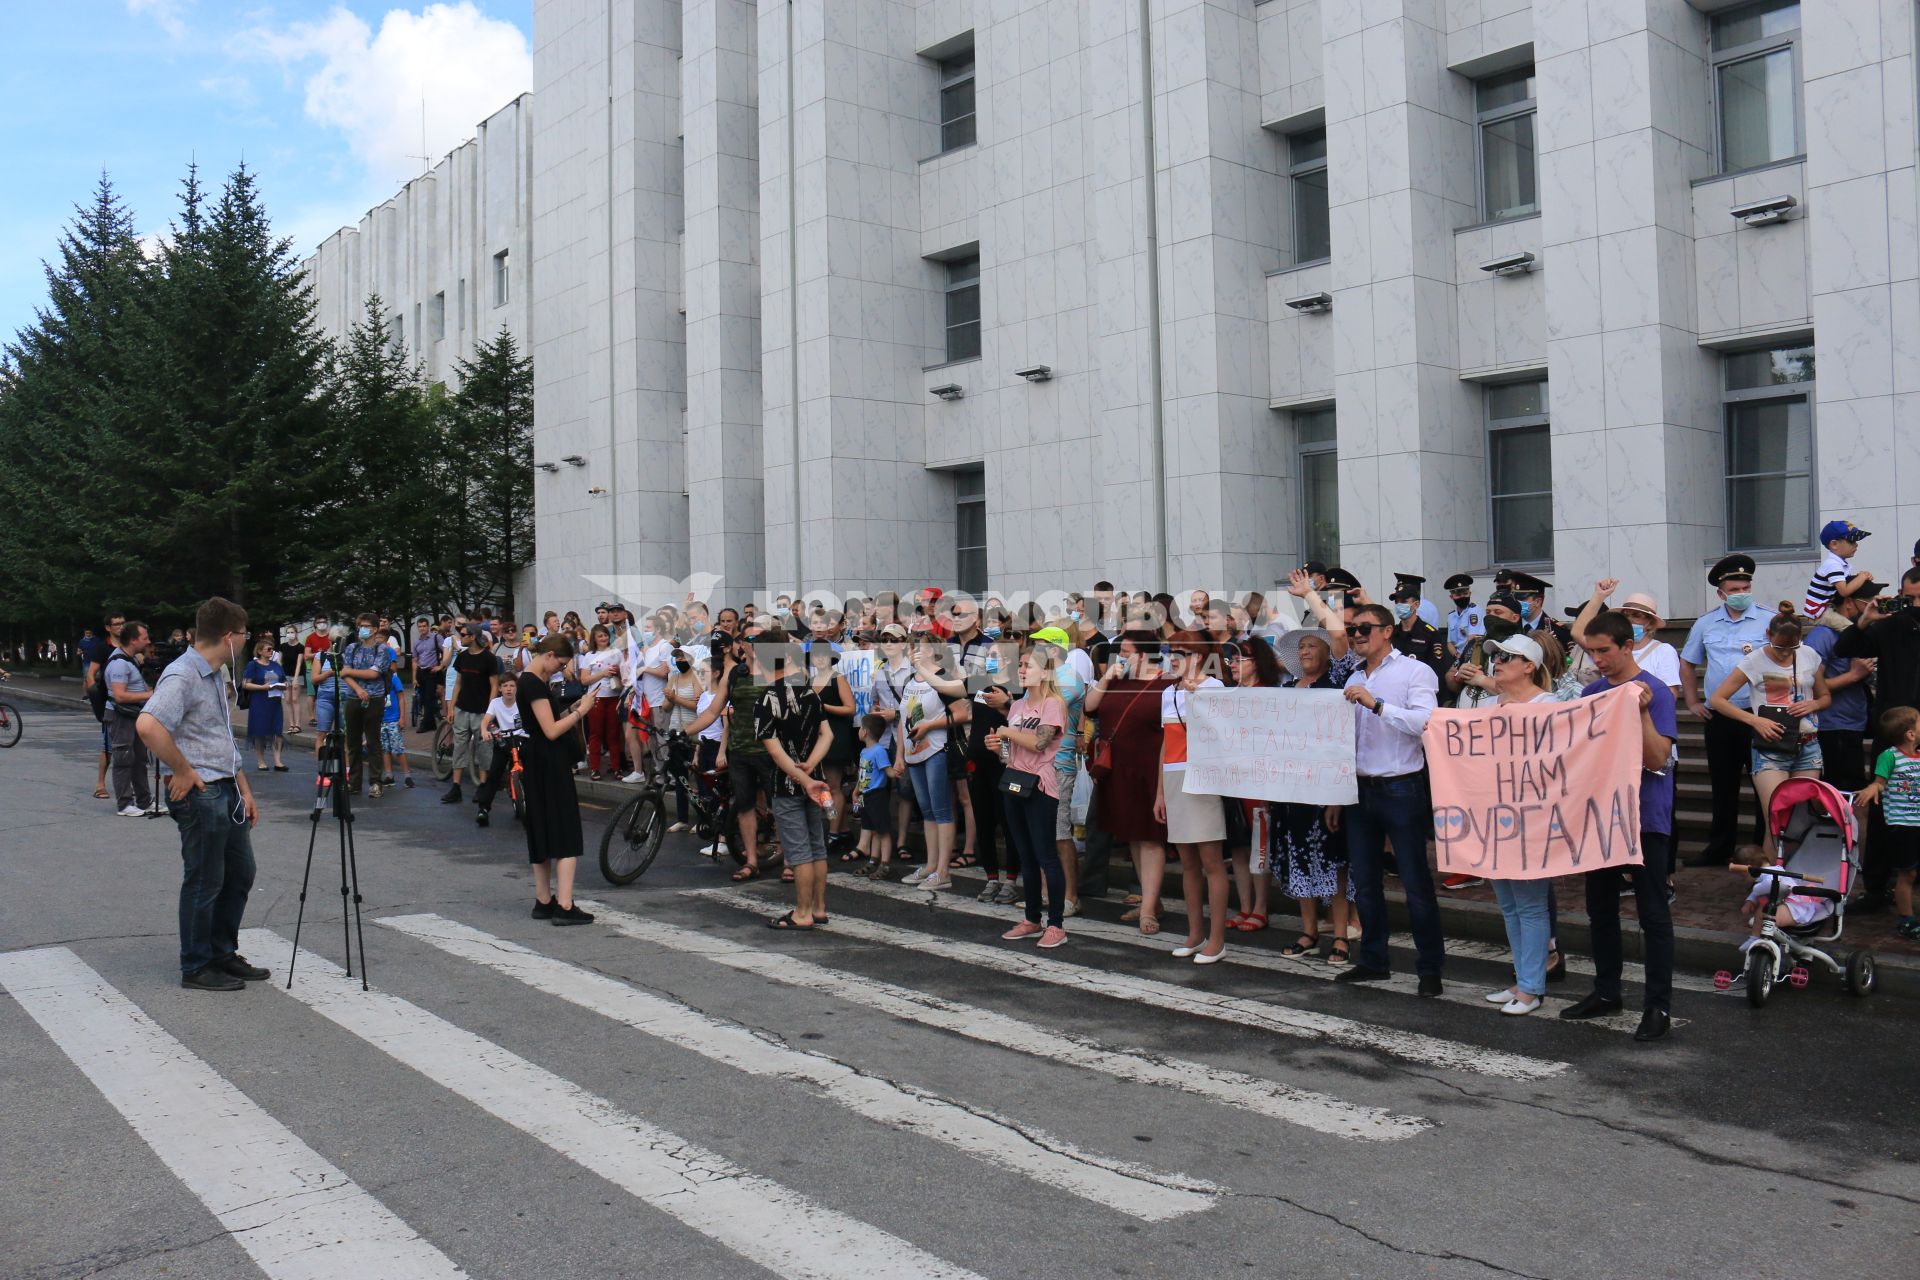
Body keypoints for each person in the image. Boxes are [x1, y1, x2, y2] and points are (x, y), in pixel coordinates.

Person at [135, 597, 266, 992]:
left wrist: (244, 787)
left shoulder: (215, 670)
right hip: (201, 793)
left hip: (225, 787)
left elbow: (220, 735)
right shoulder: (183, 675)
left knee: (240, 873)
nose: (245, 640)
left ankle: (221, 952)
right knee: (205, 880)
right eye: (244, 634)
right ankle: (196, 964)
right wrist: (183, 770)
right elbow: (148, 725)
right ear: (229, 636)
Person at [1562, 610, 1679, 1041]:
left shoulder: (1657, 691)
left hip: (1645, 816)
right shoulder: (1592, 691)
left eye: (1604, 651)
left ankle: (1657, 1006)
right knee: (1600, 909)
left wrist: (1643, 713)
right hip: (1601, 815)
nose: (1597, 660)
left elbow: (1656, 760)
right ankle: (1607, 991)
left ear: (1628, 646)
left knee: (1652, 913)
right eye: (1591, 652)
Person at [1336, 603, 1445, 995]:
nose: (1358, 635)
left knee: (1415, 881)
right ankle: (1373, 959)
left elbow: (1426, 722)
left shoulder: (1415, 671)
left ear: (1387, 630)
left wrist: (1377, 704)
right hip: (1360, 789)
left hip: (1402, 786)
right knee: (1364, 883)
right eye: (1353, 630)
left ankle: (1430, 968)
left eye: (1365, 628)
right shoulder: (1352, 675)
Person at [1478, 633, 1562, 1015]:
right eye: (1496, 657)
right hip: (1495, 814)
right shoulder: (1490, 701)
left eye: (1508, 657)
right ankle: (1522, 980)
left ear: (1530, 666)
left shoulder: (1549, 704)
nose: (1497, 662)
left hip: (1532, 818)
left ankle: (1532, 987)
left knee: (1530, 907)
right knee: (1510, 906)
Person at [1709, 613, 1830, 857]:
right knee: (1776, 818)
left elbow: (1825, 696)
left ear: (1800, 640)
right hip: (1770, 747)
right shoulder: (1753, 661)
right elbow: (1717, 699)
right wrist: (1754, 720)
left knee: (1801, 820)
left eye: (1791, 647)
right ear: (1768, 636)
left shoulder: (1809, 656)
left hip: (1807, 744)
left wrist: (1814, 705)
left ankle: (1792, 881)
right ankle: (1772, 881)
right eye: (1779, 646)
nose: (1785, 653)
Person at [1680, 554, 1772, 866]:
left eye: (1746, 586)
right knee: (1723, 784)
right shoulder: (1706, 623)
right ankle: (1720, 848)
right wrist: (1692, 701)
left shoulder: (1768, 620)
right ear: (1721, 593)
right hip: (1720, 716)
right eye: (1734, 588)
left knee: (1764, 784)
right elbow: (1687, 662)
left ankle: (1764, 849)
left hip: (1758, 715)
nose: (1742, 592)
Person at [1270, 628, 1353, 963]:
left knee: (1335, 860)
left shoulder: (1333, 685)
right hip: (1291, 789)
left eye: (1311, 645)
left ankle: (1342, 934)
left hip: (1327, 785)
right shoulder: (1287, 689)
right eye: (1300, 647)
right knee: (1298, 856)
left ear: (1325, 651)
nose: (1304, 651)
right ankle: (1309, 931)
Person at [1154, 633, 1230, 964]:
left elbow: (1225, 733)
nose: (1172, 658)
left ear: (1198, 657)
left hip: (1203, 776)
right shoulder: (1168, 692)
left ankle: (1217, 939)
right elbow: (1164, 744)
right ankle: (1195, 933)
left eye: (1180, 653)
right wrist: (1159, 792)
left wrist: (1197, 696)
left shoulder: (1213, 687)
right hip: (1174, 776)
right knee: (1187, 863)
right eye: (1170, 652)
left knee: (1211, 862)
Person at [1087, 630, 1169, 934]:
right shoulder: (1117, 681)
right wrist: (1107, 677)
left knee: (1150, 836)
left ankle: (1148, 908)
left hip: (1148, 768)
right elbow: (1090, 706)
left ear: (1144, 654)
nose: (1120, 657)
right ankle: (1151, 899)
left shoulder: (1166, 684)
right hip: (1118, 767)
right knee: (1133, 835)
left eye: (1126, 651)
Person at [989, 646, 1070, 947]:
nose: (1022, 670)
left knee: (1046, 855)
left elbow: (1039, 743)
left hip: (1040, 785)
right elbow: (1009, 754)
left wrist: (1007, 733)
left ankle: (1057, 925)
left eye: (1028, 666)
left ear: (1045, 671)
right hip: (1014, 780)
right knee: (1025, 855)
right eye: (1020, 665)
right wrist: (998, 746)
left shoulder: (1053, 703)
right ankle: (1032, 918)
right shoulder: (1017, 707)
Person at [515, 635, 594, 923]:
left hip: (536, 758)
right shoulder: (534, 683)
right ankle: (564, 905)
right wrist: (581, 713)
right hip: (549, 760)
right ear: (549, 655)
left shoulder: (529, 680)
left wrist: (570, 711)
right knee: (564, 829)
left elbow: (543, 721)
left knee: (540, 826)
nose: (560, 670)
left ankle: (543, 900)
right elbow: (550, 730)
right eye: (559, 664)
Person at [757, 636, 834, 930]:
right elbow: (828, 735)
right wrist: (812, 767)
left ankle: (802, 913)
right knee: (817, 847)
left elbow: (775, 752)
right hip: (818, 779)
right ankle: (819, 907)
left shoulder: (766, 698)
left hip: (787, 784)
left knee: (799, 851)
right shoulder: (809, 693)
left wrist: (802, 778)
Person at [1224, 637, 1286, 932]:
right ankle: (1245, 906)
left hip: (1260, 781)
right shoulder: (1229, 694)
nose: (1233, 664)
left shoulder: (1270, 695)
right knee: (1238, 845)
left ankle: (1261, 907)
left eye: (1240, 659)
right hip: (1233, 778)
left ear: (1257, 664)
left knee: (1259, 845)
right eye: (1231, 659)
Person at [1805, 579, 1881, 790]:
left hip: (1854, 723)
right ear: (1849, 603)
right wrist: (1853, 675)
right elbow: (1808, 685)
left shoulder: (1857, 632)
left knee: (1854, 789)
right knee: (1840, 792)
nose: (1872, 607)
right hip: (1833, 727)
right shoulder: (1822, 635)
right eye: (1868, 602)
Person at [1853, 706, 1920, 939]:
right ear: (1910, 734)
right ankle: (1907, 920)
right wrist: (1873, 787)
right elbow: (1880, 782)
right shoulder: (1889, 756)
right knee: (1907, 874)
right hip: (1902, 826)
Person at [898, 637, 960, 890]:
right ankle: (931, 865)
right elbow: (902, 721)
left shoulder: (943, 677)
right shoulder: (909, 681)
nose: (913, 652)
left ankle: (943, 870)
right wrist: (899, 754)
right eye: (912, 647)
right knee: (926, 811)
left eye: (919, 647)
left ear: (933, 651)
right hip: (914, 753)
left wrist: (930, 726)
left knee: (941, 809)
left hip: (936, 749)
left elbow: (962, 713)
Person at [1568, 582, 1681, 693]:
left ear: (1650, 623)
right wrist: (1599, 596)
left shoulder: (1663, 651)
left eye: (1637, 615)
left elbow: (1669, 695)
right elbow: (1578, 632)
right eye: (1625, 614)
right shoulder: (1611, 646)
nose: (1629, 619)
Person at [338, 614, 395, 797]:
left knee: (373, 741)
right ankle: (354, 782)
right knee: (352, 742)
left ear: (375, 629)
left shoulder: (382, 650)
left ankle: (375, 782)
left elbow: (373, 673)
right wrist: (357, 689)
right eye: (360, 625)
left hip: (375, 698)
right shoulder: (352, 648)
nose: (362, 628)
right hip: (353, 697)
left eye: (366, 626)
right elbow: (343, 673)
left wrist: (351, 672)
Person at [445, 625, 502, 804]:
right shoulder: (462, 657)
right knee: (460, 745)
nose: (459, 638)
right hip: (463, 707)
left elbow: (494, 685)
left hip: (481, 711)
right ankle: (456, 786)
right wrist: (451, 707)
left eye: (463, 635)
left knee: (483, 747)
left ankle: (483, 786)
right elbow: (459, 683)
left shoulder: (488, 658)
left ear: (473, 637)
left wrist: (490, 710)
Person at [104, 622, 155, 816]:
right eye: (144, 638)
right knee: (124, 758)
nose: (148, 642)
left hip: (133, 715)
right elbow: (119, 696)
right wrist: (150, 695)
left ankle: (143, 801)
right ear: (133, 640)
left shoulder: (130, 659)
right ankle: (124, 804)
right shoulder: (119, 663)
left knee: (139, 759)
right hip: (121, 715)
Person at [474, 672, 525, 827]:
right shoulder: (495, 703)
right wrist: (484, 731)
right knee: (494, 775)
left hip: (521, 739)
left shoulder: (522, 702)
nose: (509, 689)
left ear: (517, 688)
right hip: (503, 741)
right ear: (500, 689)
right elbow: (486, 721)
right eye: (505, 686)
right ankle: (483, 809)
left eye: (512, 685)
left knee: (532, 770)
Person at [578, 624, 626, 781]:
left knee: (613, 734)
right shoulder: (588, 656)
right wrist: (603, 673)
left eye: (605, 635)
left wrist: (617, 671)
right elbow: (584, 680)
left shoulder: (616, 652)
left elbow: (625, 672)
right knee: (596, 734)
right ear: (594, 639)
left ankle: (616, 768)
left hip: (614, 696)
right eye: (600, 636)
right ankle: (595, 768)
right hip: (596, 697)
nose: (604, 638)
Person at [853, 713, 896, 876]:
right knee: (872, 829)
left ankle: (885, 865)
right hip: (865, 795)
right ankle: (873, 861)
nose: (858, 731)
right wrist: (857, 790)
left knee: (882, 830)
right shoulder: (864, 751)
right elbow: (863, 774)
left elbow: (888, 771)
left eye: (860, 728)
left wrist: (897, 772)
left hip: (877, 795)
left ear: (864, 732)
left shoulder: (879, 751)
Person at [1804, 519, 1873, 620]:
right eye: (1851, 540)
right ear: (1834, 544)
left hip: (1828, 607)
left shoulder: (1839, 563)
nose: (1856, 544)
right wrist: (1861, 577)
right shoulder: (1833, 564)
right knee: (1848, 628)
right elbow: (1844, 591)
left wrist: (1861, 578)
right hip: (1818, 611)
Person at [240, 638, 287, 773]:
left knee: (277, 731)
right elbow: (245, 684)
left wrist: (284, 685)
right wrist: (262, 687)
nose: (271, 651)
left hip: (275, 701)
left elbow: (283, 680)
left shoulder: (276, 665)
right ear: (260, 651)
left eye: (272, 649)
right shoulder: (253, 665)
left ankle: (278, 761)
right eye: (268, 649)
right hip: (259, 701)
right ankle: (261, 761)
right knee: (260, 731)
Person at [379, 665, 412, 789]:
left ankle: (407, 776)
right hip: (382, 721)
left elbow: (401, 697)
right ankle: (389, 776)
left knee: (398, 748)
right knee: (385, 749)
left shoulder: (393, 677)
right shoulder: (376, 678)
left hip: (393, 720)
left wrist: (402, 717)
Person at [412, 617, 445, 732]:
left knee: (429, 697)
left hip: (432, 672)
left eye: (424, 626)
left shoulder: (437, 638)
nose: (422, 628)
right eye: (420, 626)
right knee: (423, 699)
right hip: (421, 672)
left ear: (428, 626)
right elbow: (415, 660)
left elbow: (446, 651)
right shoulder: (417, 642)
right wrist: (414, 677)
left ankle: (425, 723)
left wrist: (440, 665)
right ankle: (431, 723)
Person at [1444, 573, 1484, 660]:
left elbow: (1473, 638)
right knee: (1449, 674)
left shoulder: (1474, 611)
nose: (1462, 597)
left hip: (1473, 656)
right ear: (1452, 597)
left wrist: (1462, 657)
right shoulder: (1451, 616)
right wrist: (1457, 656)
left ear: (1470, 593)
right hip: (1459, 657)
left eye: (1465, 594)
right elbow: (1450, 643)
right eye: (1458, 595)